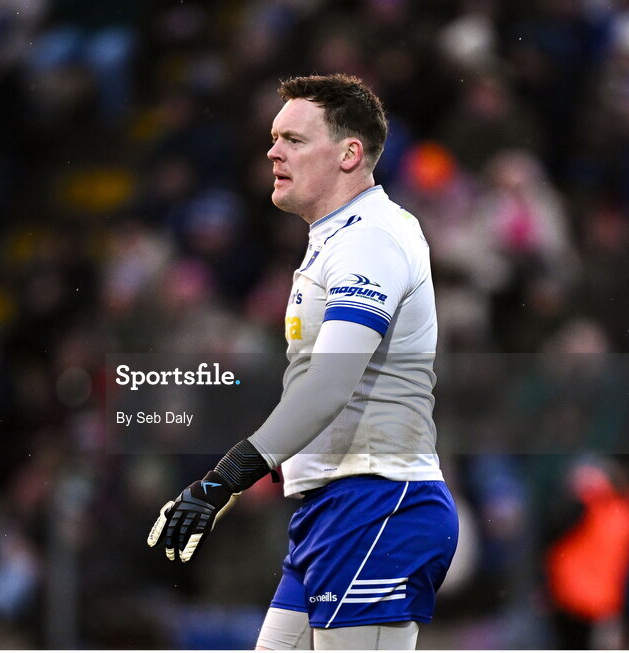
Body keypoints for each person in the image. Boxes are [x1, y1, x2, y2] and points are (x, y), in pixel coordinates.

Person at [147, 74, 458, 650]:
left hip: (379, 504)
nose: (273, 152)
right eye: (273, 138)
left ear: (349, 154)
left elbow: (330, 385)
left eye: (293, 139)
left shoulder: (372, 239)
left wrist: (223, 482)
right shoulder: (336, 239)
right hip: (333, 508)